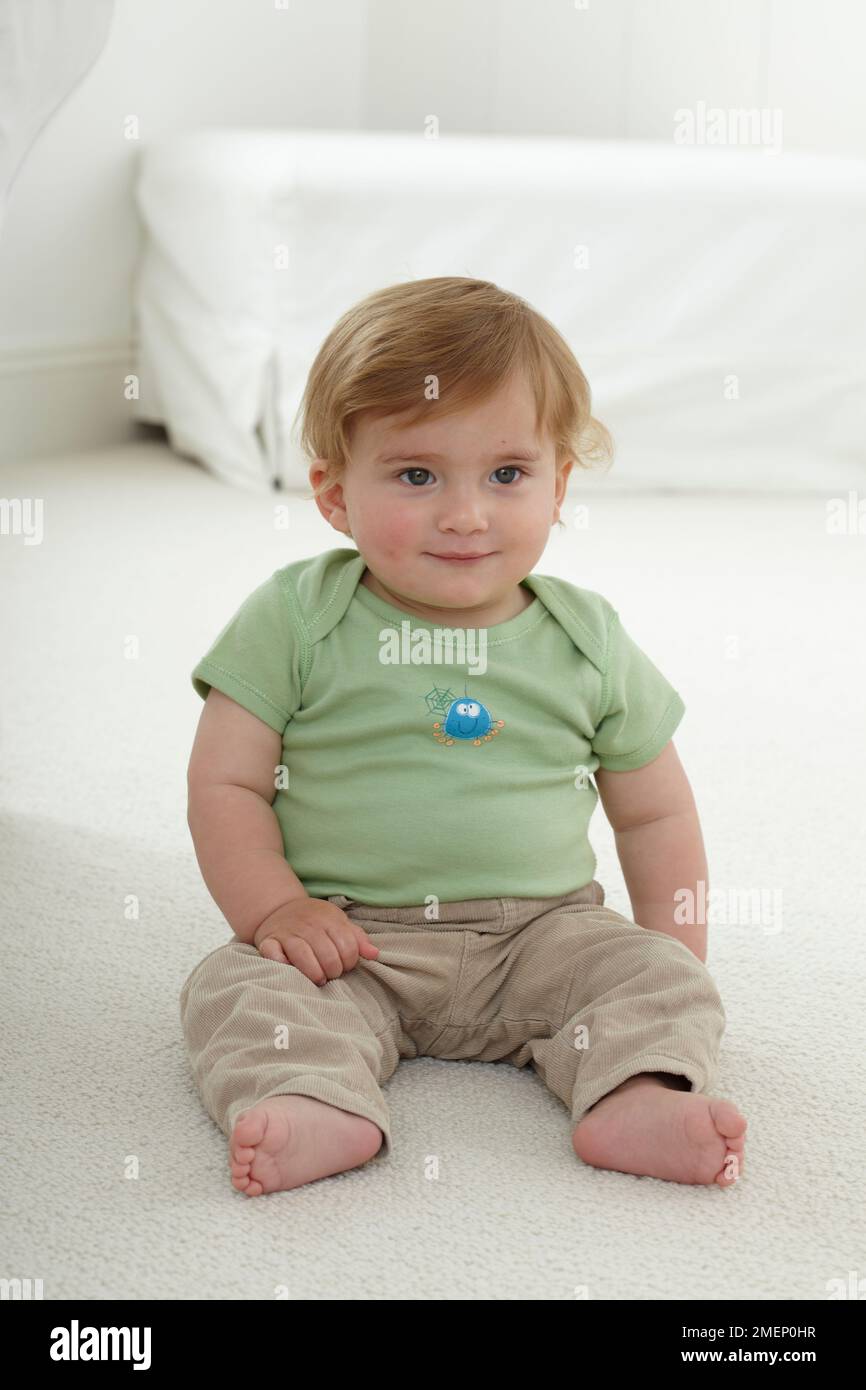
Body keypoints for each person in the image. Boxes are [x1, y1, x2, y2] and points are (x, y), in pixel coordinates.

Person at [181, 276, 747, 1196]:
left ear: (559, 484)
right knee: (236, 988)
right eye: (416, 475)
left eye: (507, 475)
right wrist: (275, 910)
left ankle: (638, 1089)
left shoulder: (587, 637)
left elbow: (656, 815)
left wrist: (670, 958)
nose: (465, 514)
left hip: (543, 933)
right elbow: (226, 787)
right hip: (350, 938)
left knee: (661, 981)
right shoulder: (295, 616)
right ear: (332, 492)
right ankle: (312, 1094)